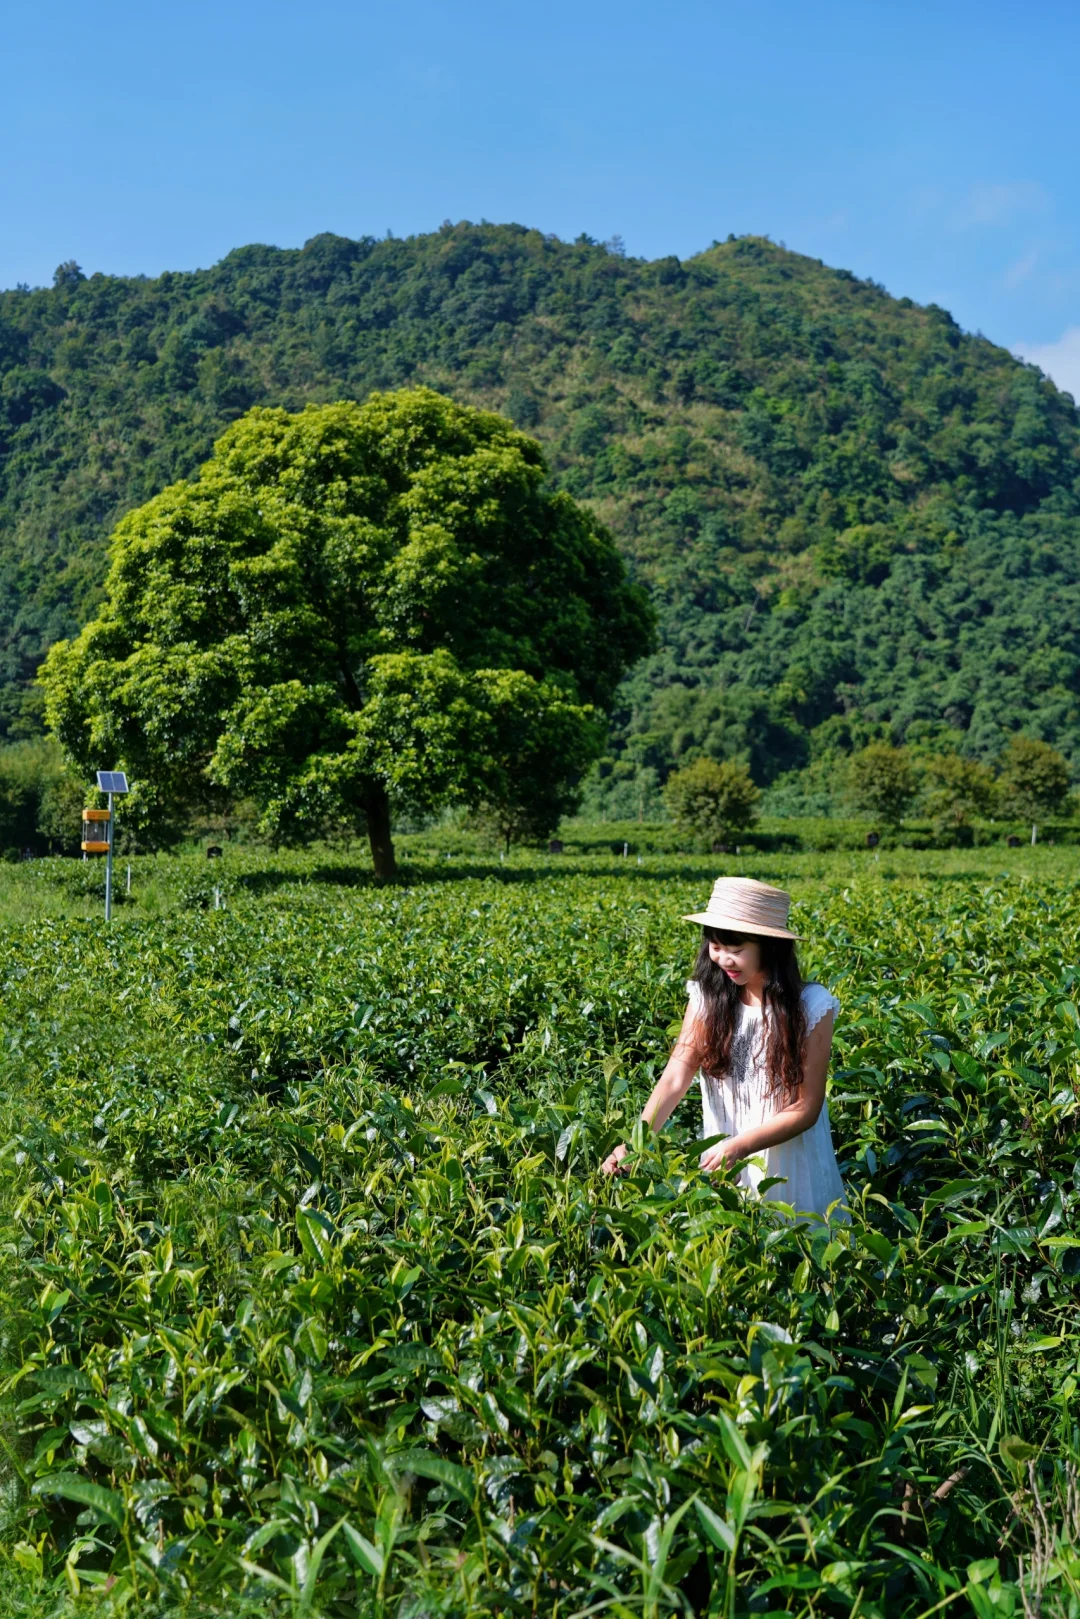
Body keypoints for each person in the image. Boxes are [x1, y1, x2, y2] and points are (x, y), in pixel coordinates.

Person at [601, 876, 849, 1225]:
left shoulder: (811, 1006)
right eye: (715, 947)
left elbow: (806, 1107)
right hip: (724, 1162)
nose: (724, 959)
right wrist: (636, 1143)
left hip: (791, 1168)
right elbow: (675, 1079)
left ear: (770, 947)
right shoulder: (708, 999)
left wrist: (741, 1146)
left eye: (736, 950)